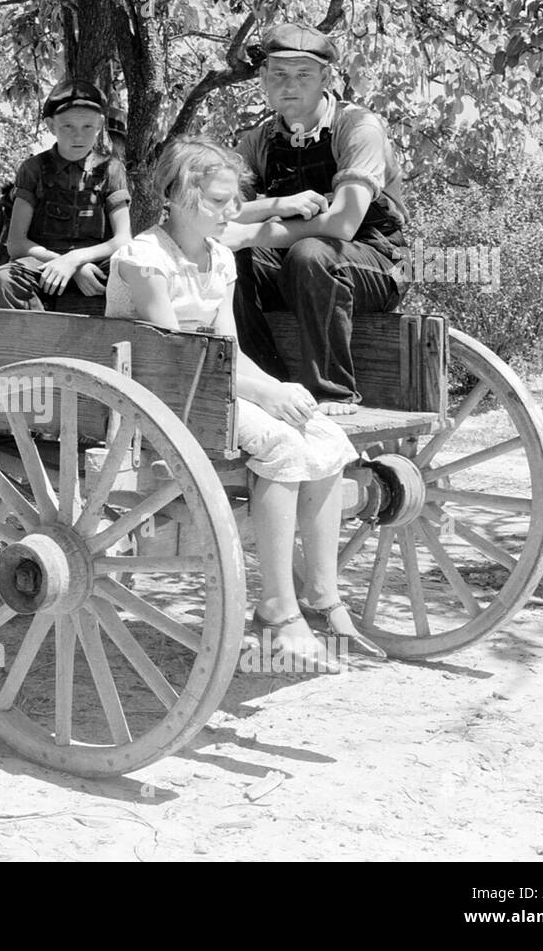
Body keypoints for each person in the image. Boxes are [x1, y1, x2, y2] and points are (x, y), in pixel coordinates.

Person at [108, 136, 383, 668]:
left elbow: (228, 348)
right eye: (217, 201)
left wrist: (276, 391)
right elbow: (177, 352)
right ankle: (276, 609)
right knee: (280, 443)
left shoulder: (219, 259)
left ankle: (321, 597)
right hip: (156, 392)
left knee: (326, 438)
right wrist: (266, 394)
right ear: (178, 196)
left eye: (234, 200)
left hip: (207, 386)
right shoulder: (144, 258)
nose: (231, 213)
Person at [224, 22, 409, 415]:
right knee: (227, 257)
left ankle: (332, 392)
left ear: (326, 77)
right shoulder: (258, 141)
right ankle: (263, 381)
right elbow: (221, 214)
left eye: (304, 74)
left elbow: (343, 224)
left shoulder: (358, 127)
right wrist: (275, 206)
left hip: (378, 261)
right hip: (299, 269)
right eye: (279, 74)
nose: (290, 85)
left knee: (310, 253)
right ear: (263, 79)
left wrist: (251, 231)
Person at [0, 79, 132, 315]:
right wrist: (61, 263)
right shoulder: (33, 169)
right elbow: (17, 244)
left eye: (87, 127)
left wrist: (76, 261)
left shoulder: (112, 170)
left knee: (136, 275)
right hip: (42, 266)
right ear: (51, 126)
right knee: (1, 280)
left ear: (100, 125)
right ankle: (21, 347)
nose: (78, 136)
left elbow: (123, 240)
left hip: (94, 268)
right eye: (68, 126)